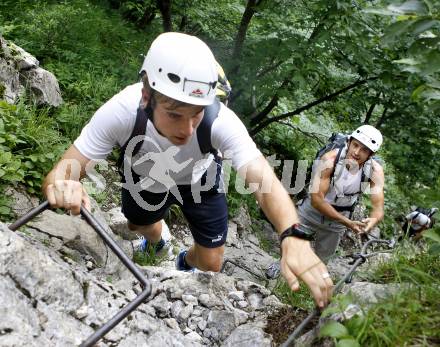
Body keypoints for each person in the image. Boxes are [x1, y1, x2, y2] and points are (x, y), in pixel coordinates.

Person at [42, 32, 333, 308]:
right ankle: (158, 241)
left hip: (200, 182)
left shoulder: (221, 121)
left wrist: (292, 234)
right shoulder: (120, 112)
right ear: (146, 96)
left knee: (211, 263)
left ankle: (183, 261)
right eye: (174, 115)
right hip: (146, 179)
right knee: (138, 226)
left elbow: (263, 180)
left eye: (196, 114)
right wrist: (64, 184)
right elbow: (61, 172)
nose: (186, 130)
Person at [296, 125, 385, 263]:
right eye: (355, 145)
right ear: (348, 142)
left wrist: (373, 220)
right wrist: (348, 223)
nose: (356, 152)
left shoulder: (375, 171)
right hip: (311, 212)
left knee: (322, 261)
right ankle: (280, 266)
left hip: (337, 222)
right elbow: (317, 200)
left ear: (371, 154)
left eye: (364, 150)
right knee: (292, 248)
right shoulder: (329, 160)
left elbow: (378, 208)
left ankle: (309, 283)